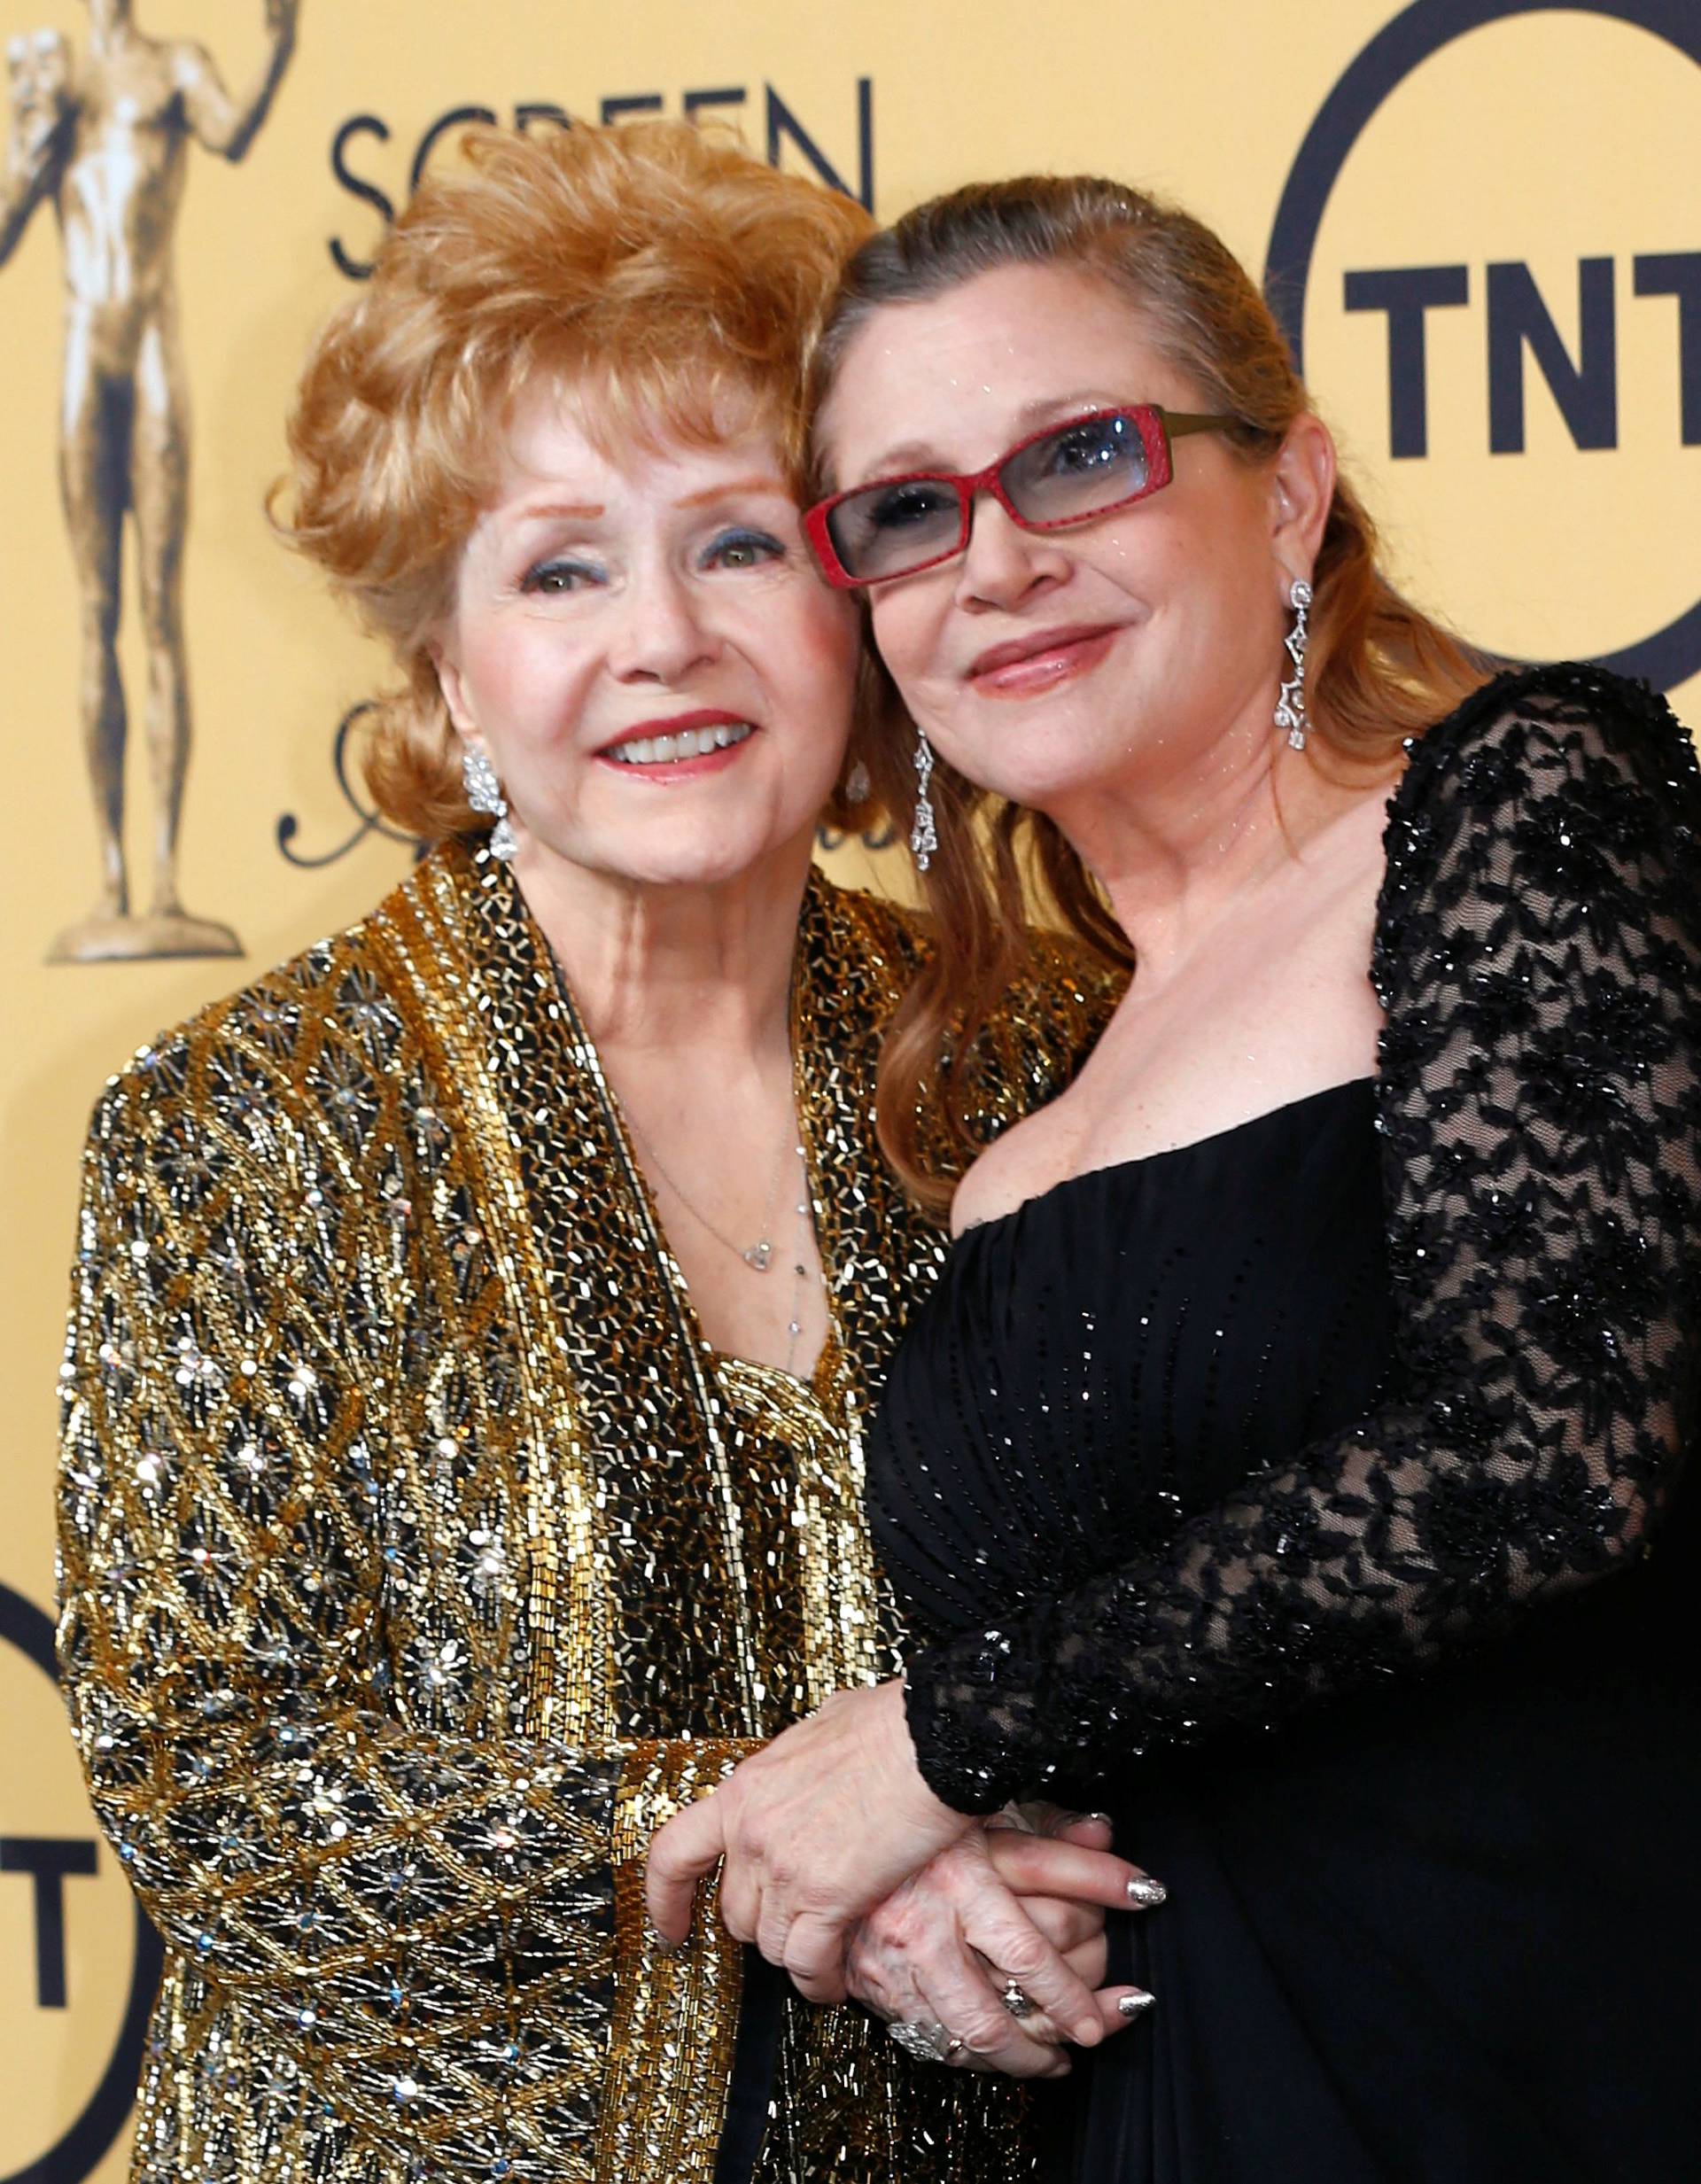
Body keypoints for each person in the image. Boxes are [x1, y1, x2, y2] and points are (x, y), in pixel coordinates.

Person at [54, 129, 1151, 2184]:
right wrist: (772, 1851)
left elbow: (1214, 1600)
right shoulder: (252, 1122)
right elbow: (216, 1785)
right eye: (561, 567)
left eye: (738, 545)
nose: (661, 636)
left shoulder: (1042, 1052)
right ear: (450, 673)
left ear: (855, 603)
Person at [646, 173, 1701, 2180]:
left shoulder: (1513, 809)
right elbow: (1129, 1738)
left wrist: (936, 1742)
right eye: (907, 510)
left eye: (1080, 457)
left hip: (1546, 2071)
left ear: (1287, 494)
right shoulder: (1013, 1134)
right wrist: (933, 1892)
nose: (999, 559)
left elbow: (1553, 1445)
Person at [1, 0, 299, 960]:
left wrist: (281, 45)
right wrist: (26, 145)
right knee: (97, 612)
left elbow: (236, 130)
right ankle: (111, 878)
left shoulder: (174, 66)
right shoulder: (50, 79)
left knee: (159, 611)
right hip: (86, 350)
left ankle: (165, 878)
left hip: (153, 347)